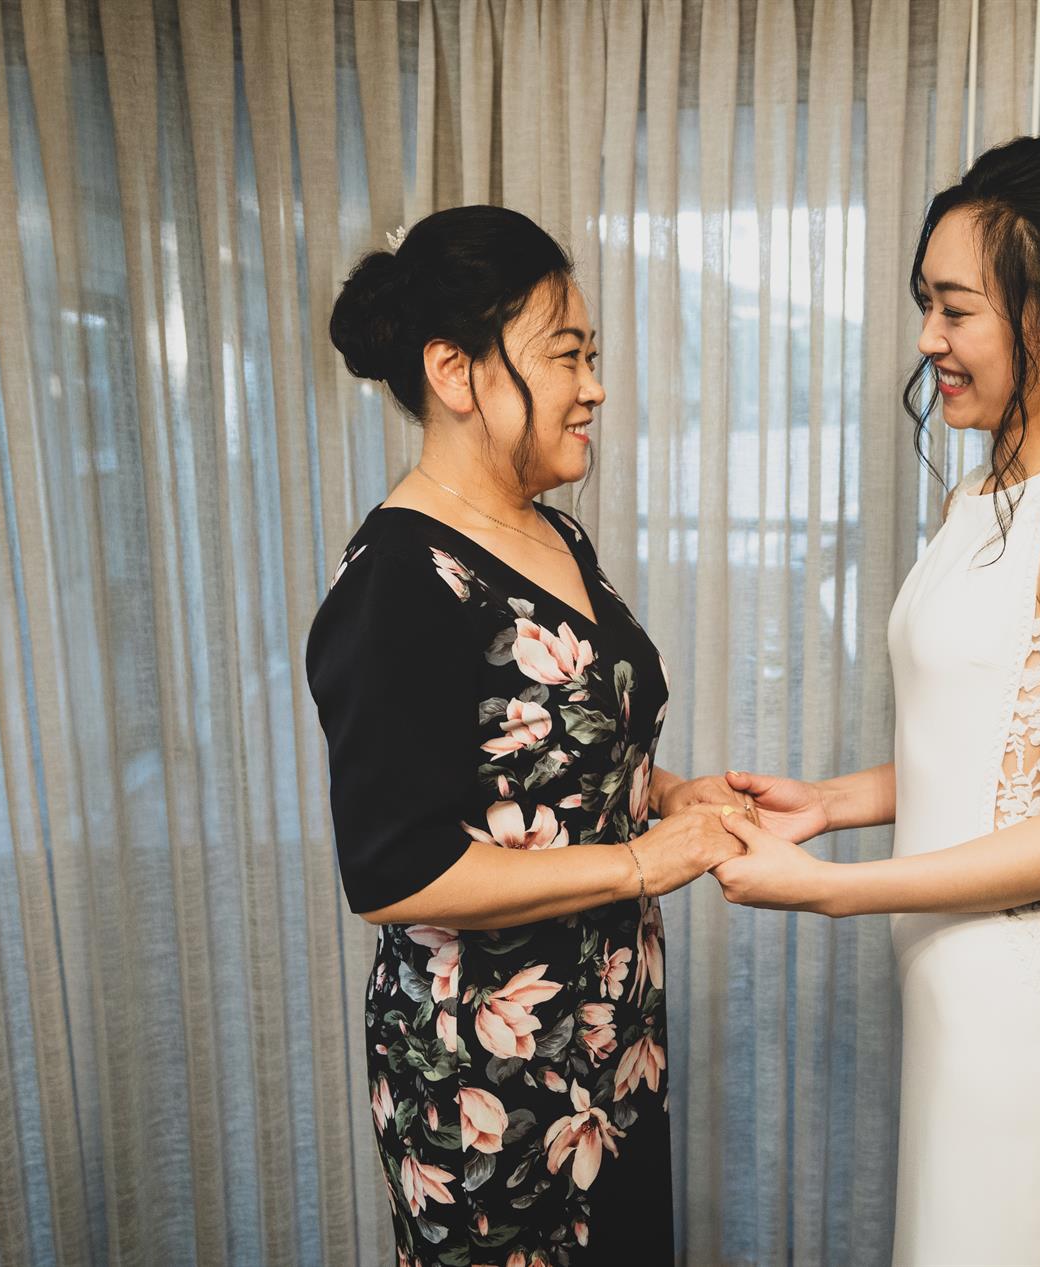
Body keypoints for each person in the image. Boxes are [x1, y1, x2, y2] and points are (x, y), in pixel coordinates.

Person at [702, 136, 1040, 1265]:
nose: (928, 338)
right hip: (946, 984)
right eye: (926, 303)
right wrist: (828, 802)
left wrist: (832, 891)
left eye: (957, 309)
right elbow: (987, 746)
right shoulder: (977, 494)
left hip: (1024, 993)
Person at [306, 205, 745, 1265]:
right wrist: (642, 860)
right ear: (454, 371)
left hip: (613, 1039)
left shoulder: (554, 532)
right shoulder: (400, 581)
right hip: (488, 1080)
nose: (593, 388)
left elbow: (545, 746)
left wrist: (666, 792)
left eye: (593, 357)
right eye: (565, 356)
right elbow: (396, 870)